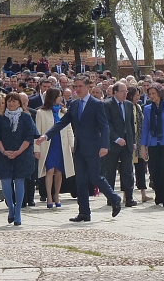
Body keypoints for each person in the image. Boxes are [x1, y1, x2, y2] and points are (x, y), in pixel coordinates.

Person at [36, 75, 122, 222]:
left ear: (87, 87)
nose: (78, 89)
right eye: (76, 86)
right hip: (79, 149)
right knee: (80, 181)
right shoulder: (74, 105)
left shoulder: (96, 104)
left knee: (95, 177)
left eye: (80, 86)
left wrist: (104, 145)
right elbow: (63, 122)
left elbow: (104, 126)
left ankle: (114, 198)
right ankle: (84, 212)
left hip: (94, 147)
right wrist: (46, 136)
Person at [0, 92, 38, 226]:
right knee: (5, 182)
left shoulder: (26, 117)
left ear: (19, 103)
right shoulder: (1, 118)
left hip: (22, 155)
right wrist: (4, 151)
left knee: (19, 182)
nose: (11, 104)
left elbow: (30, 137)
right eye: (9, 101)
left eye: (14, 101)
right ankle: (10, 206)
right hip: (5, 155)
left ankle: (18, 211)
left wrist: (18, 152)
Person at [34, 88, 75, 208]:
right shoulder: (41, 112)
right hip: (48, 145)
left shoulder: (64, 112)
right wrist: (36, 148)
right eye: (59, 96)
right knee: (49, 170)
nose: (61, 98)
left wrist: (72, 144)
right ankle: (49, 196)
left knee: (59, 171)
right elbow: (37, 132)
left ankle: (57, 194)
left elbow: (69, 130)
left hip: (61, 145)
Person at [103, 81, 137, 207]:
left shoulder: (128, 105)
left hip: (127, 143)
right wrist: (116, 138)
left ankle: (129, 197)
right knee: (110, 172)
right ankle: (111, 197)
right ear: (115, 92)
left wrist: (132, 141)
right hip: (113, 144)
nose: (125, 94)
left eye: (126, 91)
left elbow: (130, 125)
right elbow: (107, 124)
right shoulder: (107, 104)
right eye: (123, 91)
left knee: (128, 171)